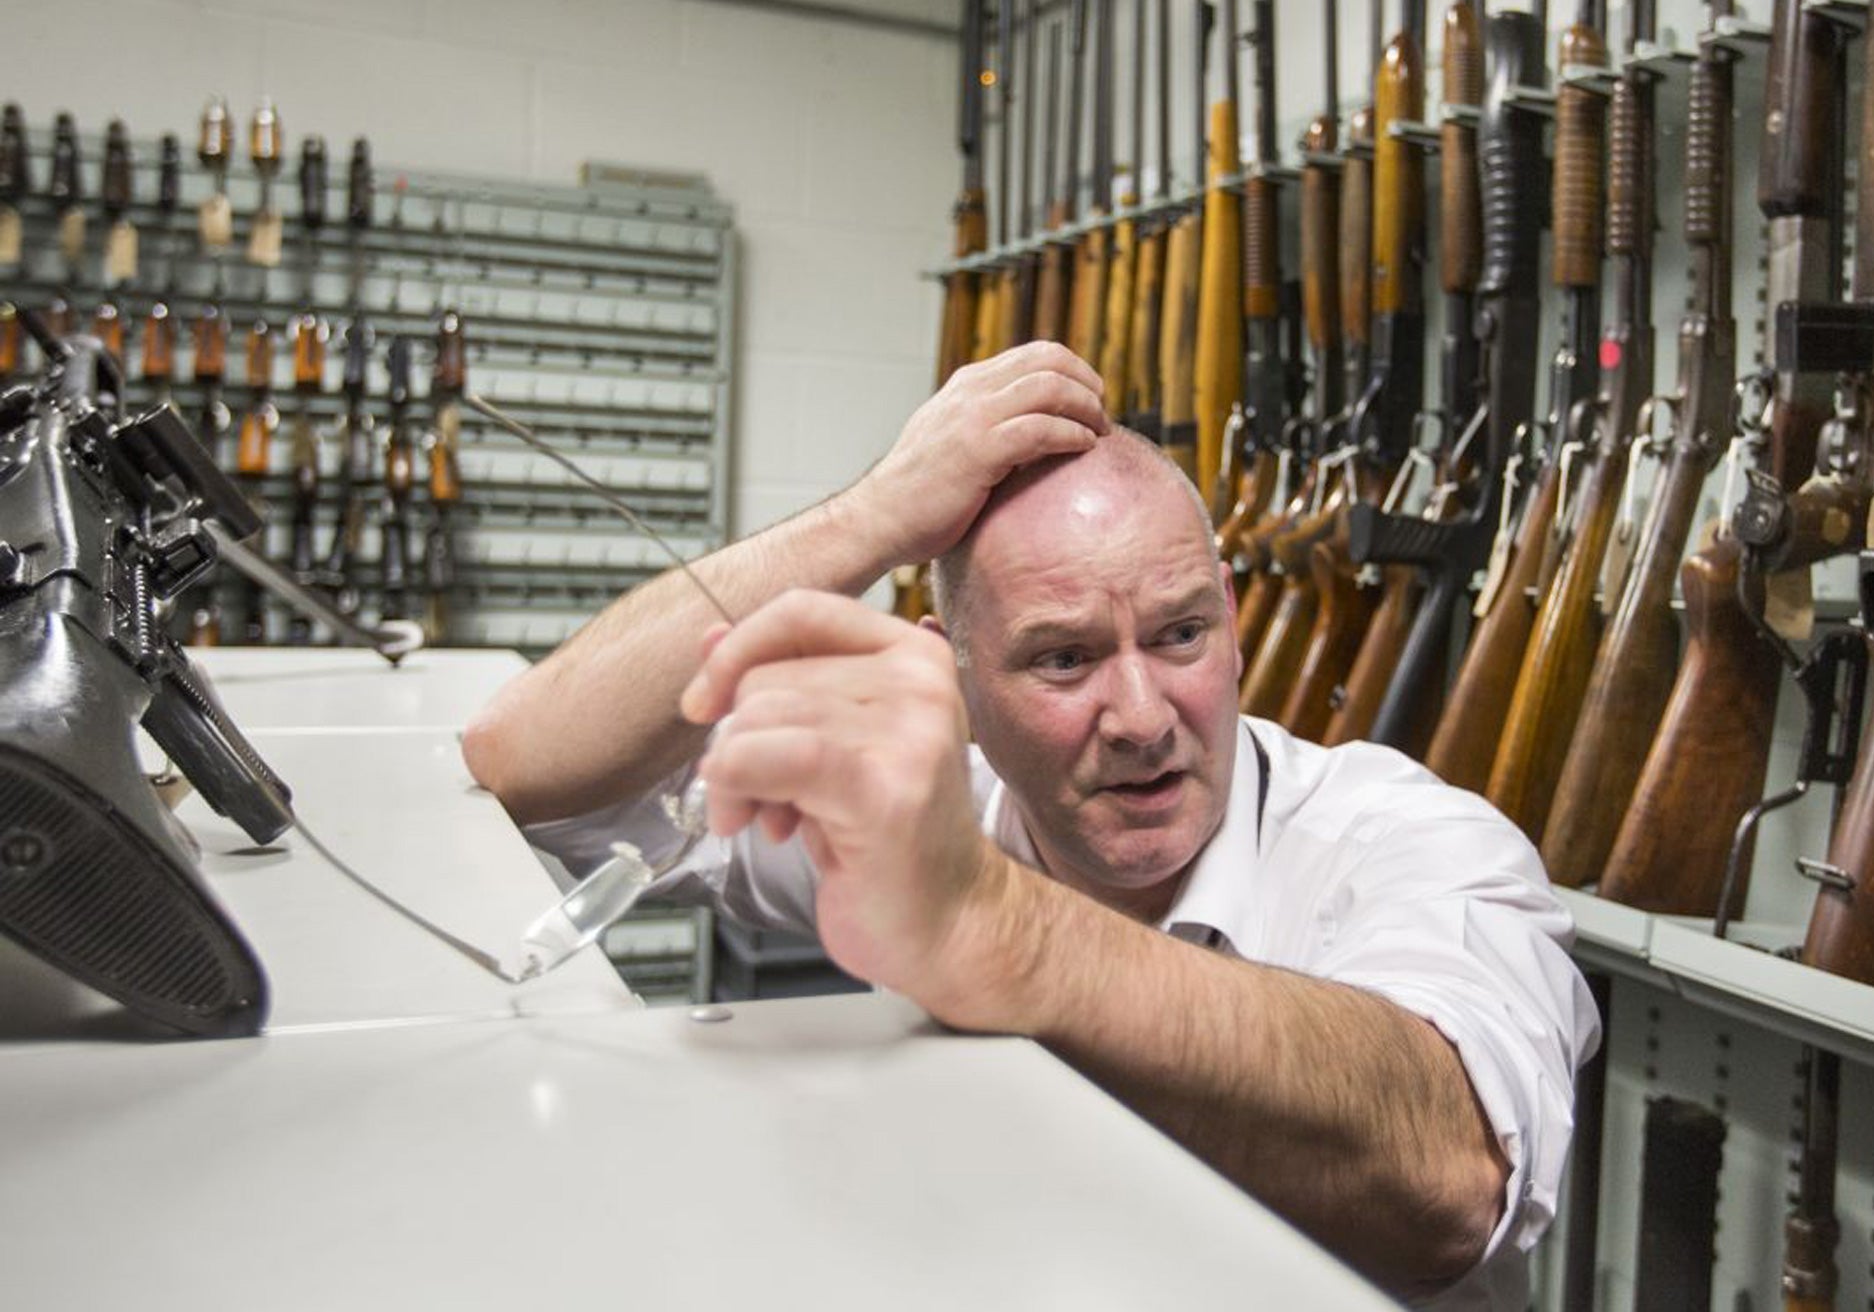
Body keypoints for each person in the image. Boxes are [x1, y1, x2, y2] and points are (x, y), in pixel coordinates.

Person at [463, 342, 1599, 1308]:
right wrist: (868, 517)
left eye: (1179, 635)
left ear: (1235, 626)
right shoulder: (922, 818)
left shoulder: (1405, 839)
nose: (1143, 717)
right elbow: (532, 774)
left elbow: (1452, 1176)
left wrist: (995, 931)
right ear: (949, 668)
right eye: (1062, 658)